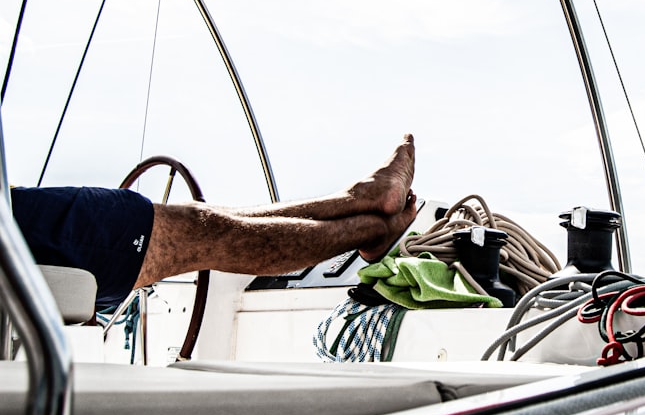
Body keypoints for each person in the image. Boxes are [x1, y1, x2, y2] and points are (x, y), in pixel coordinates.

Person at [10, 134, 417, 310]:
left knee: (205, 225)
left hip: (15, 224)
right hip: (18, 227)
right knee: (202, 233)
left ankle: (363, 202)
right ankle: (373, 225)